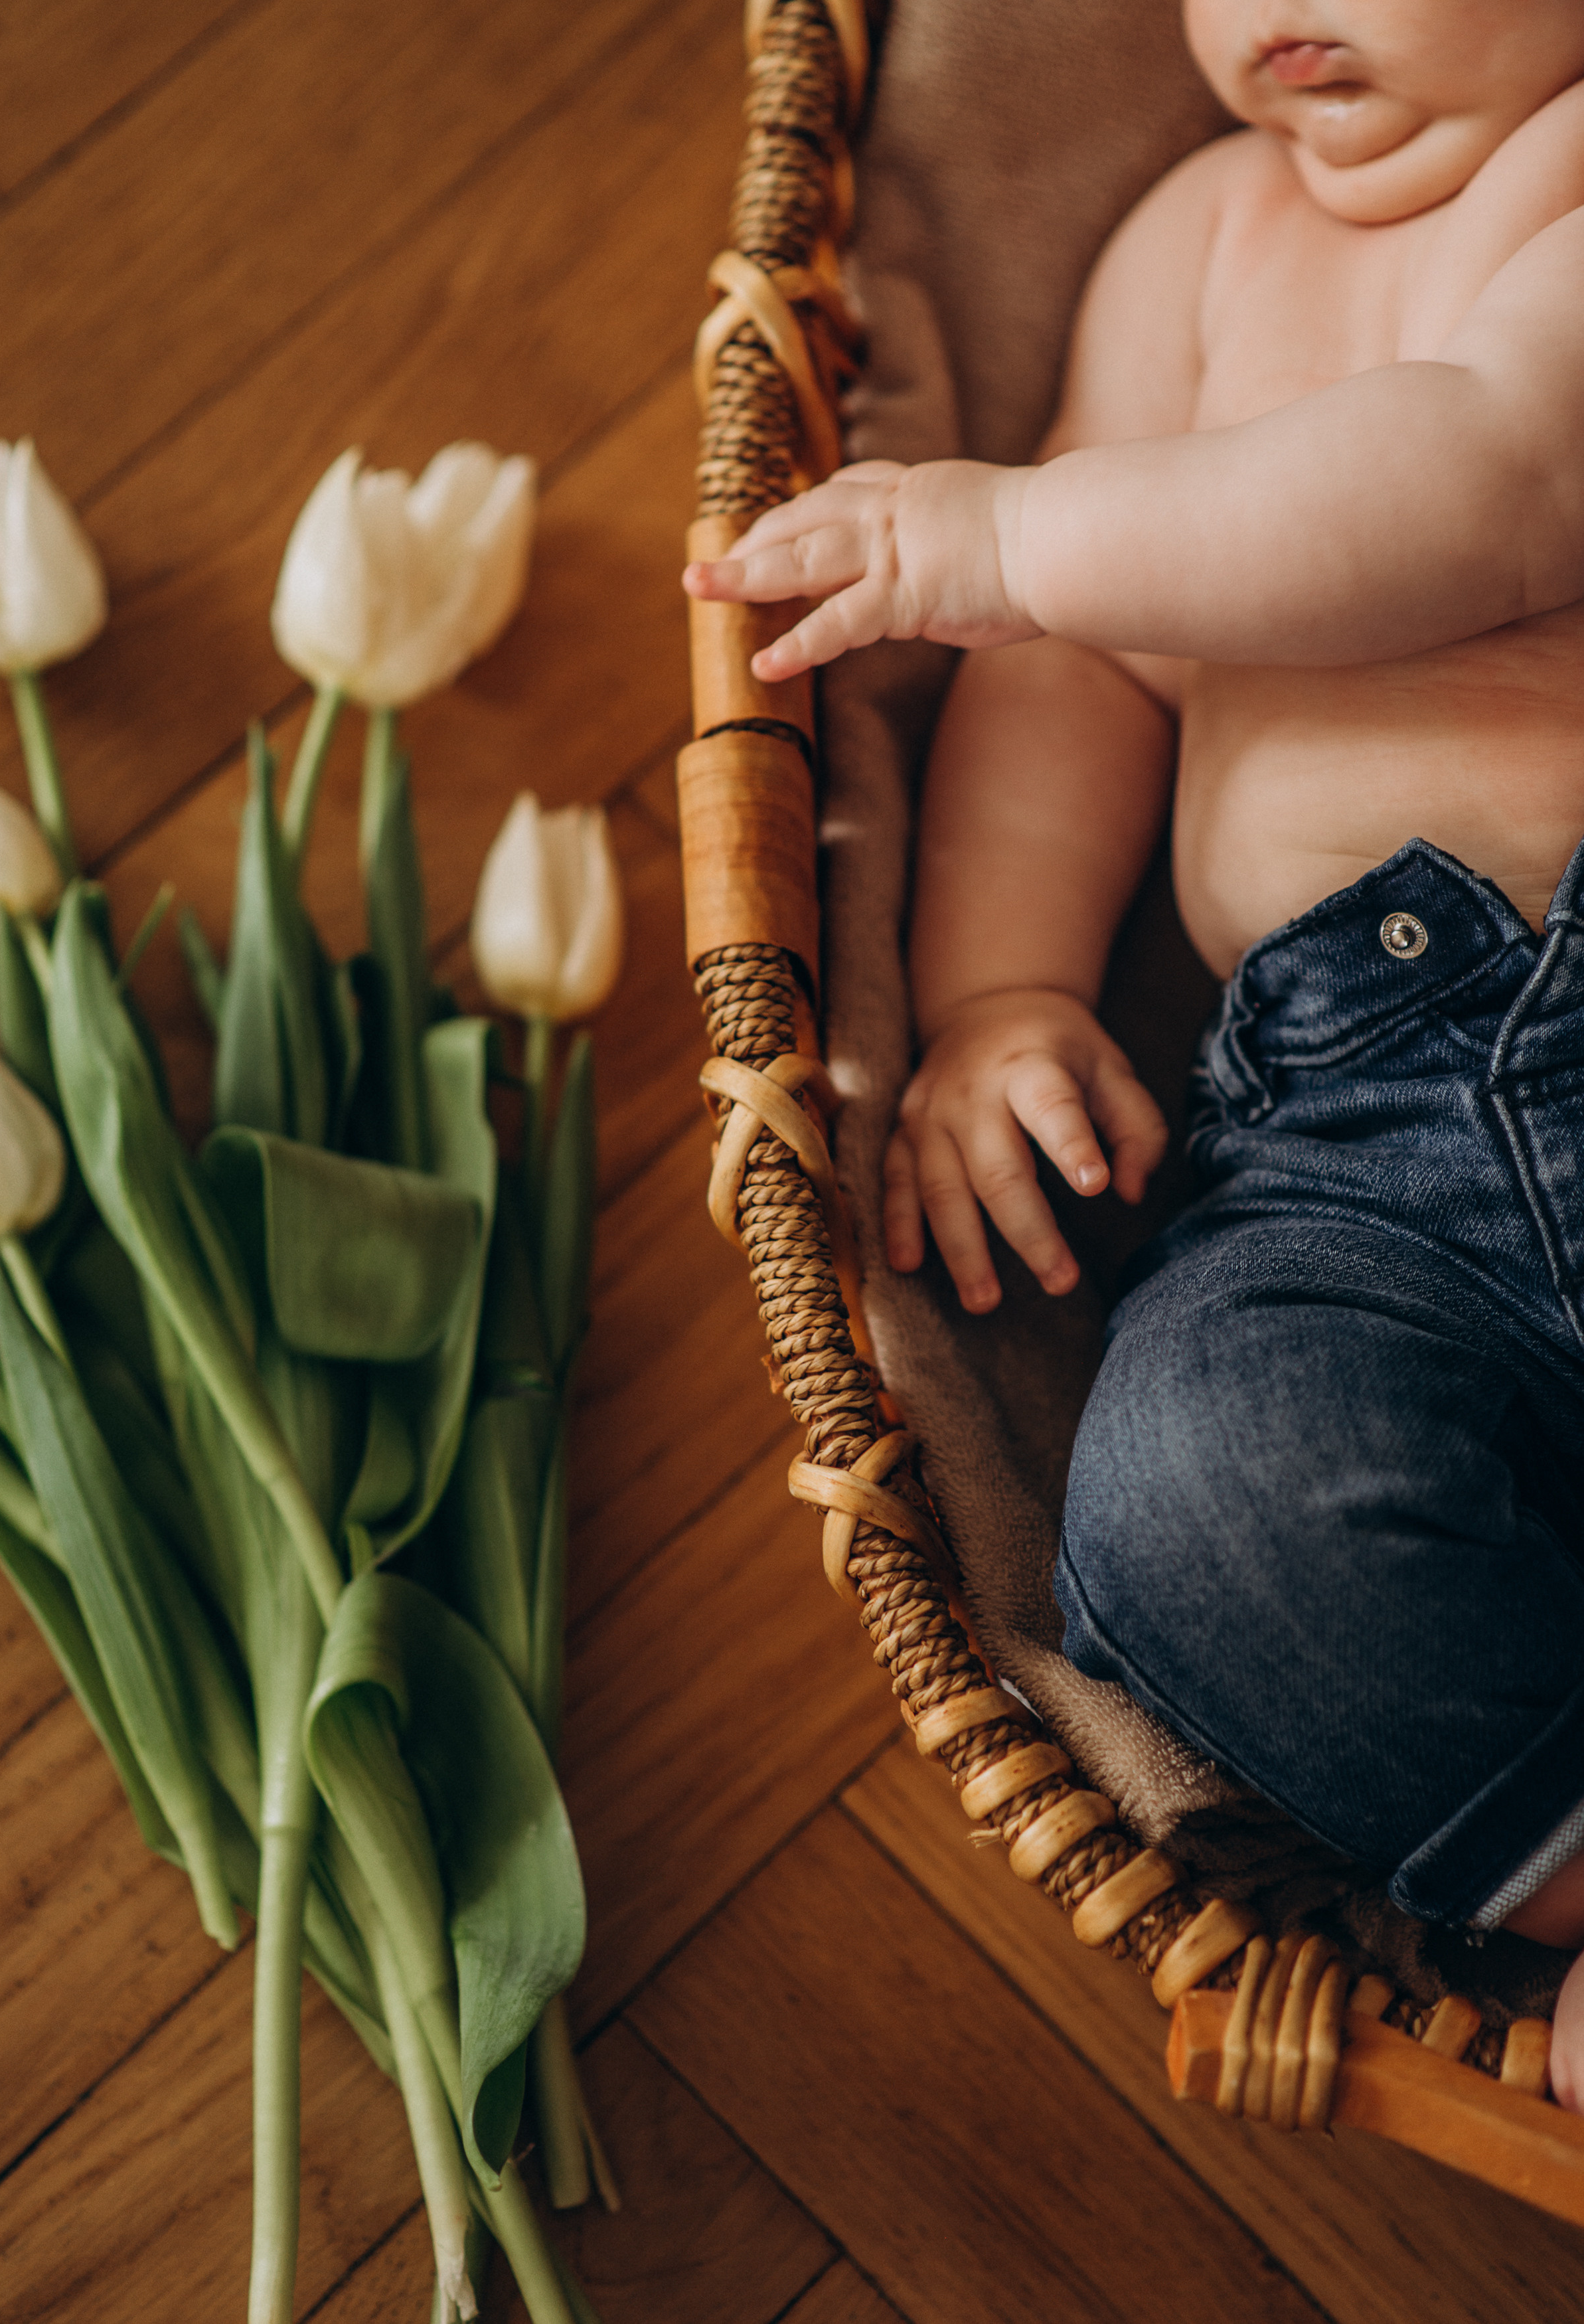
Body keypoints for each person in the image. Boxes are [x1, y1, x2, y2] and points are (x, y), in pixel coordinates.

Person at [683, 0, 1584, 2103]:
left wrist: (1005, 540)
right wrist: (1004, 989)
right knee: (1190, 1486)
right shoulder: (1191, 242)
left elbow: (1486, 473)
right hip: (1342, 1140)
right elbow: (1072, 667)